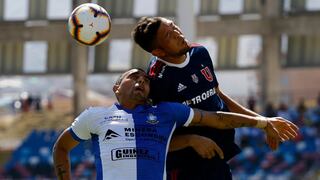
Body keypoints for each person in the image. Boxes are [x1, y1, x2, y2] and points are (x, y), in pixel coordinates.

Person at [52, 68, 298, 180]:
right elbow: (61, 148)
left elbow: (218, 118)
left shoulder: (166, 113)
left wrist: (261, 121)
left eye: (145, 80)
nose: (140, 82)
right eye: (132, 78)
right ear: (117, 88)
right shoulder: (94, 116)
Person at [132, 17, 284, 179]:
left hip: (218, 157)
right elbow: (151, 137)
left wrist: (263, 122)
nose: (177, 33)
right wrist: (191, 140)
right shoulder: (156, 81)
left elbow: (217, 94)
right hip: (186, 168)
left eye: (174, 26)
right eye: (169, 35)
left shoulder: (199, 53)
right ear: (159, 52)